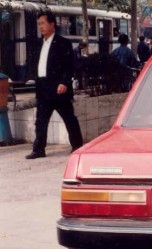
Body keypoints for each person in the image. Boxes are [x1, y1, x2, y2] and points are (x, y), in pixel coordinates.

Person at [26, 11, 83, 159]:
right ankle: (38, 149)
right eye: (39, 24)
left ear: (52, 25)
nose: (41, 27)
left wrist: (64, 82)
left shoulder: (63, 43)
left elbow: (69, 65)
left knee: (69, 118)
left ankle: (77, 146)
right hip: (43, 88)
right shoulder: (39, 44)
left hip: (58, 88)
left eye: (43, 23)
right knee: (40, 121)